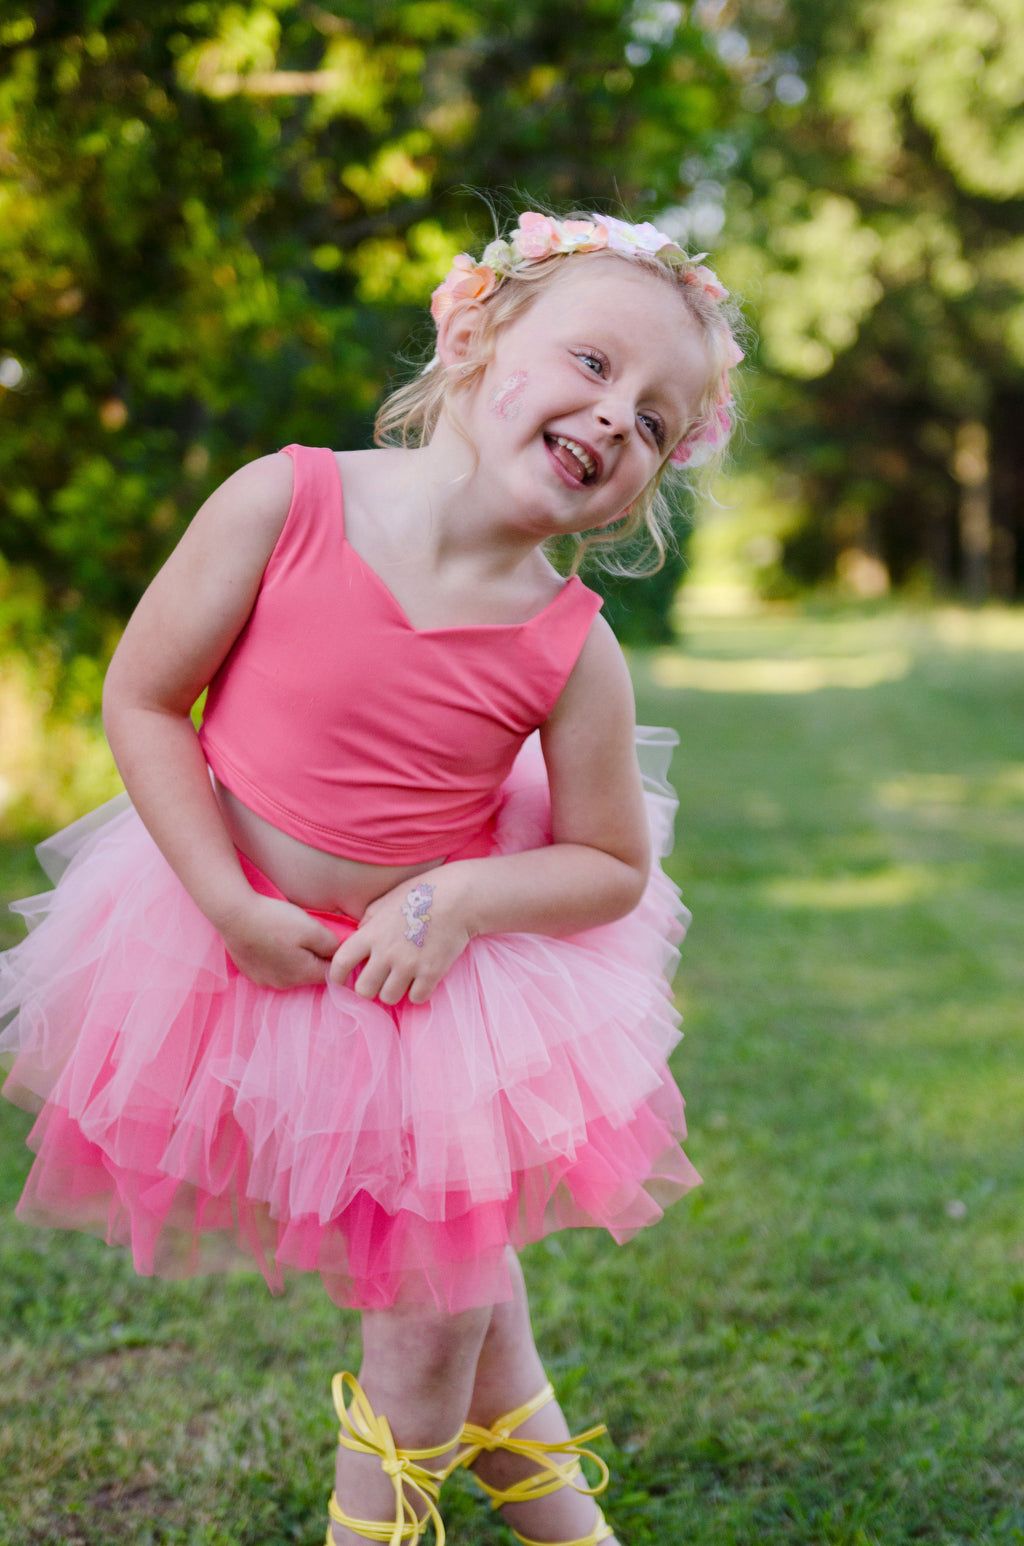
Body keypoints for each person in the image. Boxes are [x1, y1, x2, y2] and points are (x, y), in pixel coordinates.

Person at [0, 207, 743, 1546]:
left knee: (441, 1301)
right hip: (233, 950)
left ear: (652, 476)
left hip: (422, 998)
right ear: (472, 336)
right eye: (589, 366)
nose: (613, 419)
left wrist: (458, 898)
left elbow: (611, 862)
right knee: (454, 1286)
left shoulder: (571, 645)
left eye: (653, 418)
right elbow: (147, 699)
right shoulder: (286, 502)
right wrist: (227, 897)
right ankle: (563, 1523)